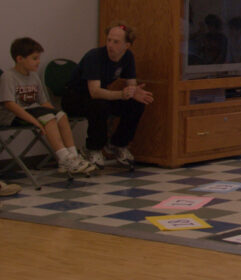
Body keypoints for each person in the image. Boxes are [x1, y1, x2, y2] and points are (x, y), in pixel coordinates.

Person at [63, 23, 154, 168]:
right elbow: (94, 91)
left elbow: (131, 83)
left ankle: (119, 144)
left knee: (136, 104)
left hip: (100, 95)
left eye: (116, 42)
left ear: (127, 45)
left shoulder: (128, 57)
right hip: (75, 98)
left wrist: (134, 92)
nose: (110, 45)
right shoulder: (94, 56)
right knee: (100, 104)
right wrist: (121, 94)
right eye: (109, 40)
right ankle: (93, 148)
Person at [1, 38, 96, 175]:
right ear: (20, 58)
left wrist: (56, 113)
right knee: (48, 118)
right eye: (34, 58)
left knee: (61, 115)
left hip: (34, 110)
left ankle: (72, 156)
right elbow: (9, 104)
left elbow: (43, 102)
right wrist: (34, 121)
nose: (38, 62)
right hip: (14, 114)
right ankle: (63, 157)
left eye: (38, 58)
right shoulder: (8, 76)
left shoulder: (34, 76)